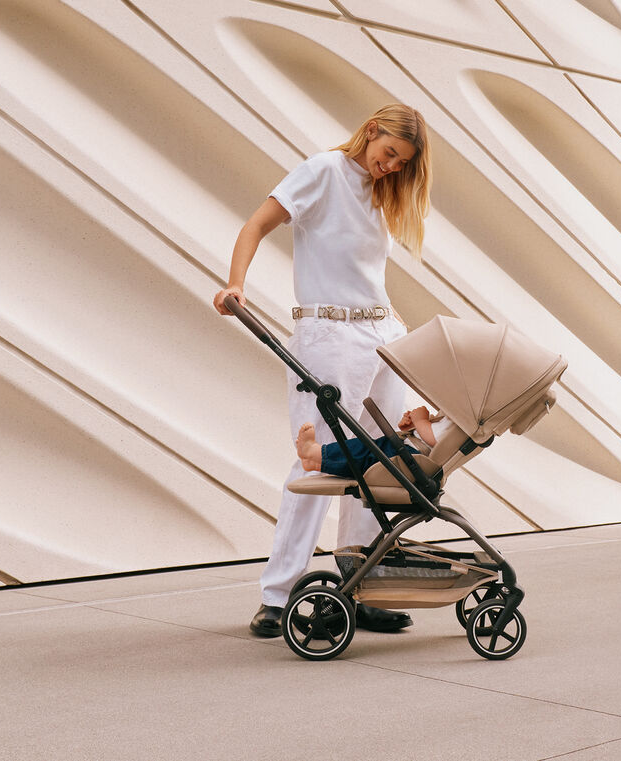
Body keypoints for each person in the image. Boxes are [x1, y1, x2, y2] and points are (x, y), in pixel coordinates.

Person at [213, 104, 432, 638]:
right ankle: (278, 596)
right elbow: (256, 224)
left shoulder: (378, 195)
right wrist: (235, 282)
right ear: (372, 130)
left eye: (400, 164)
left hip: (383, 334)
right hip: (329, 336)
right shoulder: (323, 171)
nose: (389, 168)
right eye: (388, 155)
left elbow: (365, 277)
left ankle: (360, 584)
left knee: (381, 458)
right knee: (320, 462)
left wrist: (397, 332)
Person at [295, 406, 447, 476]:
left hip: (410, 458)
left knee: (363, 451)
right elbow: (429, 439)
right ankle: (318, 462)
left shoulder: (464, 420)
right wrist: (413, 426)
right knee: (364, 455)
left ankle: (314, 452)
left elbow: (436, 441)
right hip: (409, 453)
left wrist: (420, 420)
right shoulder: (456, 414)